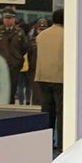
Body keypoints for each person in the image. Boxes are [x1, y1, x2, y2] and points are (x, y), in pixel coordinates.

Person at [35, 9, 65, 148]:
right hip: (60, 78)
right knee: (61, 112)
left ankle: (46, 143)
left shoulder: (41, 35)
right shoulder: (67, 35)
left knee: (47, 112)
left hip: (42, 77)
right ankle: (62, 144)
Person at [0, 7, 27, 104]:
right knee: (2, 86)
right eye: (6, 18)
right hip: (2, 63)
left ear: (14, 19)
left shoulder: (20, 32)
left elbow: (24, 48)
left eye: (10, 18)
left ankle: (11, 102)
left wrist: (18, 59)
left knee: (13, 85)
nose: (8, 20)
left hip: (14, 63)